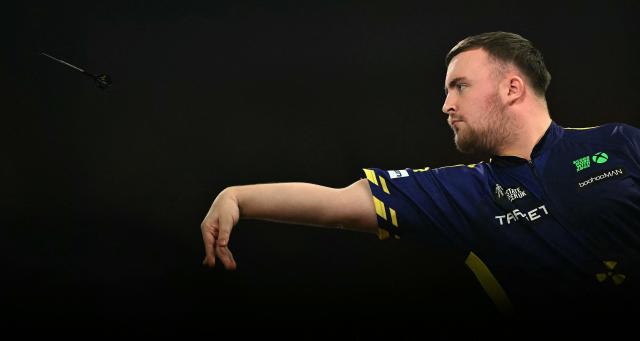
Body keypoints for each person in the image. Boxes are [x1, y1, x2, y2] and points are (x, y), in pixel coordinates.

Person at [200, 31, 640, 318]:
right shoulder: (465, 193)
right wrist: (238, 196)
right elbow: (338, 203)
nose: (446, 106)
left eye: (459, 86)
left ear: (512, 88)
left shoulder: (621, 143)